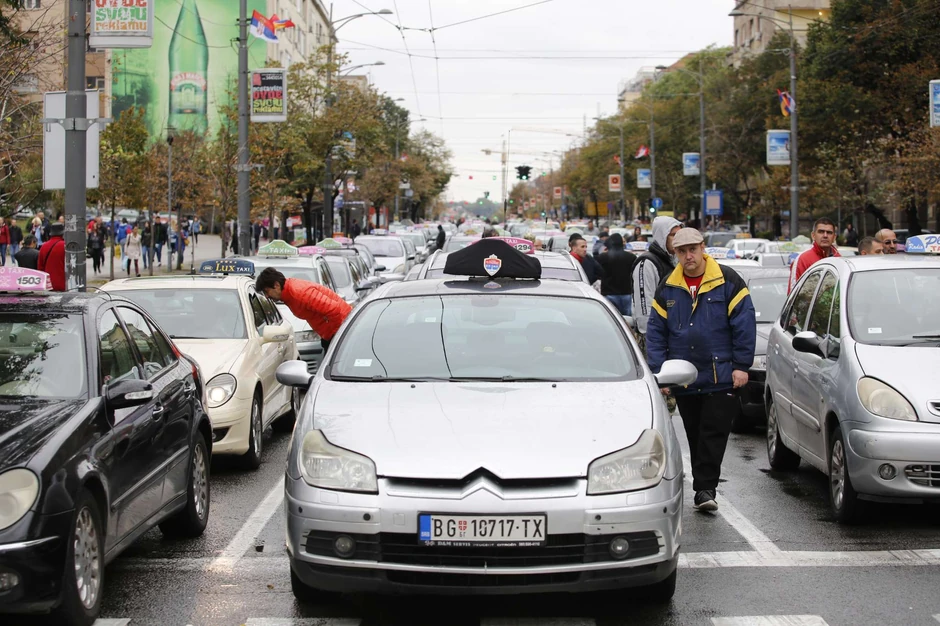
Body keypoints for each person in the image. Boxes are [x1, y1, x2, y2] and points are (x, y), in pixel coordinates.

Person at [646, 228, 756, 512]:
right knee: (694, 432)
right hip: (683, 375)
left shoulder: (728, 280)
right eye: (682, 251)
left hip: (720, 375)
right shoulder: (668, 286)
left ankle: (706, 489)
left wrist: (741, 366)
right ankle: (702, 484)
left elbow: (744, 325)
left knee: (714, 432)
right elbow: (656, 332)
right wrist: (660, 373)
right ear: (676, 253)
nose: (688, 256)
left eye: (693, 249)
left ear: (703, 247)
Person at [256, 268, 352, 352]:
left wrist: (333, 338)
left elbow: (334, 309)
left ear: (276, 285)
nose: (267, 296)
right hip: (338, 331)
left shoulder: (299, 292)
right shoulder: (289, 293)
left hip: (343, 332)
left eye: (266, 291)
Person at [632, 216, 683, 345]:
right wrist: (651, 337)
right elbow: (644, 306)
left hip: (673, 335)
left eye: (679, 234)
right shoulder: (647, 263)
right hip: (655, 338)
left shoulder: (675, 260)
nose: (678, 239)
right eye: (673, 235)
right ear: (662, 236)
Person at [789, 217, 840, 292]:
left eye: (829, 232)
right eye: (821, 232)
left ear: (834, 237)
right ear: (813, 235)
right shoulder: (802, 260)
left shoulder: (839, 259)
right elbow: (793, 294)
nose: (825, 235)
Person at [597, 233, 637, 316]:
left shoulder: (602, 257)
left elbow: (597, 273)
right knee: (628, 321)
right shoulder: (631, 257)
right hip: (627, 293)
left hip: (609, 293)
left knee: (611, 319)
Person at [37, 223, 66, 291]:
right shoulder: (65, 246)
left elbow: (40, 267)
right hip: (63, 284)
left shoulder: (44, 246)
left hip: (48, 284)